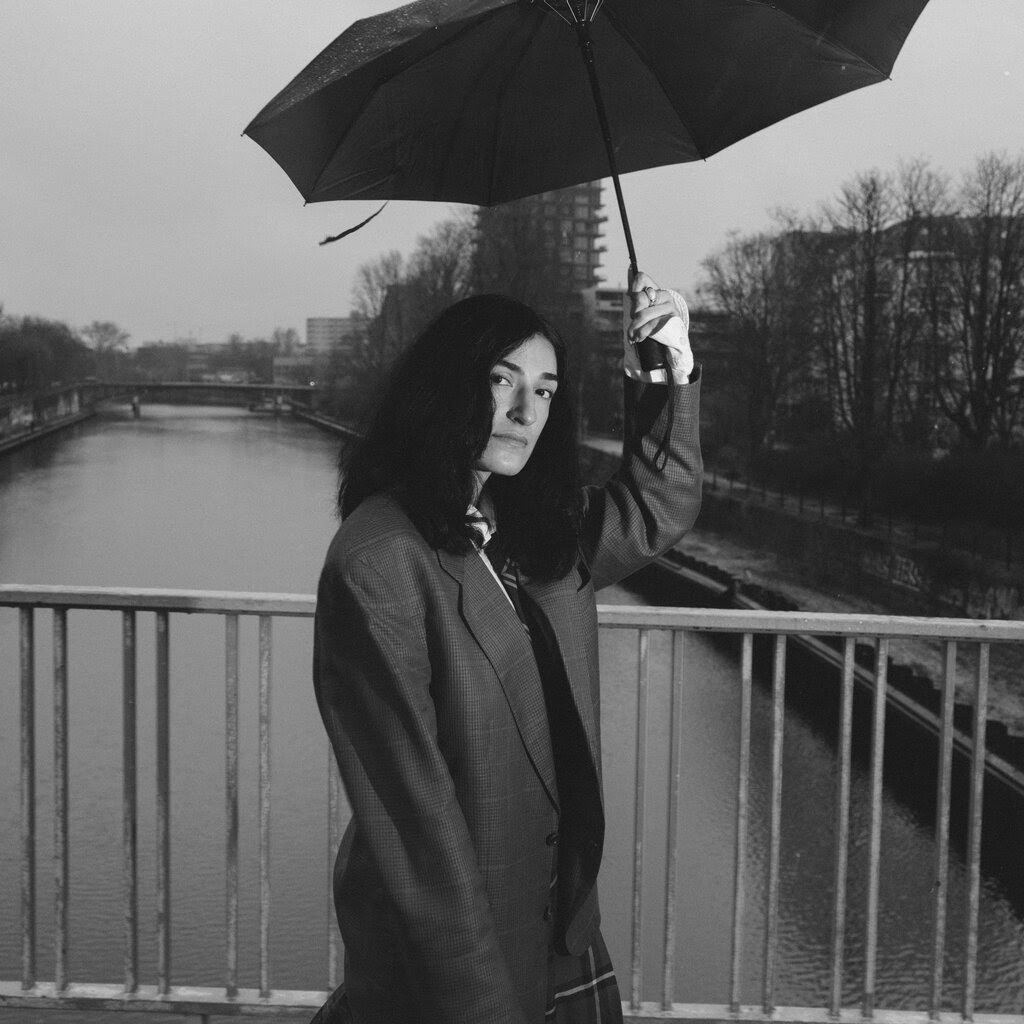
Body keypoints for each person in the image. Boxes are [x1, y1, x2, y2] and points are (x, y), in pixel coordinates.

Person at [311, 272, 702, 1024]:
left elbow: (660, 505)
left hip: (554, 927)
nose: (527, 412)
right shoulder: (380, 560)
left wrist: (666, 367)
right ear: (447, 386)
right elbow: (417, 833)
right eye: (503, 381)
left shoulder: (533, 528)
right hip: (455, 963)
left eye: (548, 391)